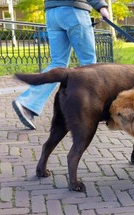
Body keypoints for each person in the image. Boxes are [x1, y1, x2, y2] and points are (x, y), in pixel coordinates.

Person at [12, 0, 110, 130]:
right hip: (74, 11)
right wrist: (101, 6)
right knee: (89, 64)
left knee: (58, 63)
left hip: (52, 13)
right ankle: (89, 111)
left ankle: (27, 104)